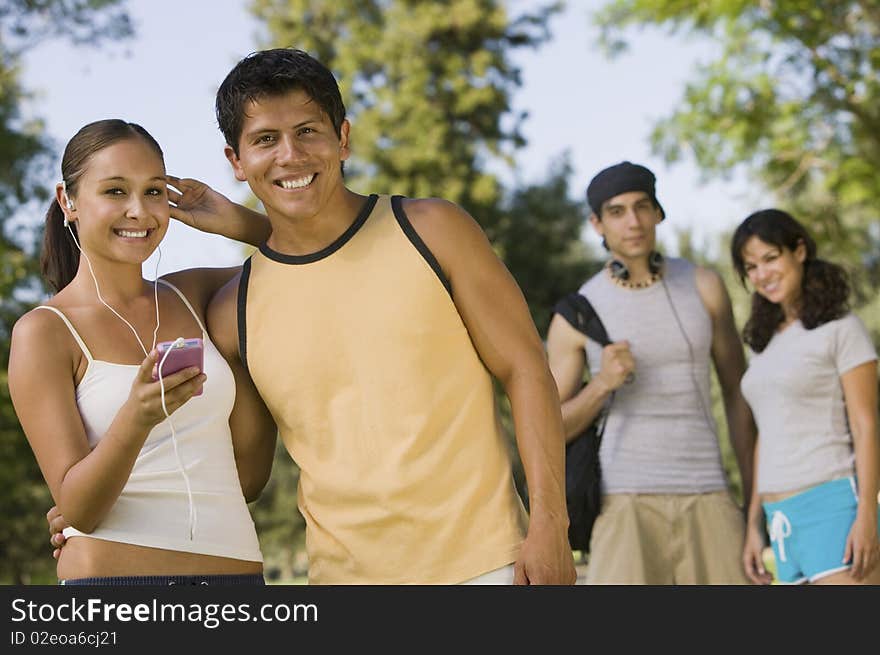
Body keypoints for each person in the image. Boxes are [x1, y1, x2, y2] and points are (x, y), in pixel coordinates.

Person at [202, 47, 575, 585]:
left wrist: (550, 524)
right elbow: (245, 476)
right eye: (265, 140)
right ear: (236, 162)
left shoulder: (432, 229)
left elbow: (526, 369)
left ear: (343, 139)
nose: (290, 154)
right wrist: (107, 513)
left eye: (308, 130)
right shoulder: (231, 311)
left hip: (490, 565)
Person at [9, 119, 277, 585]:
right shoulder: (45, 332)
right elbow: (79, 510)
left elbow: (309, 257)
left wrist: (236, 220)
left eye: (154, 192)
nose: (139, 211)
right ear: (67, 201)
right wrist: (135, 417)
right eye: (115, 191)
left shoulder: (195, 294)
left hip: (236, 584)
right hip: (116, 591)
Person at [545, 161, 756, 584]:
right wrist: (602, 384)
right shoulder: (578, 314)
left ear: (658, 212)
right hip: (624, 502)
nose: (634, 222)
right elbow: (548, 426)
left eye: (643, 207)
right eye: (617, 212)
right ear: (597, 224)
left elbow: (738, 394)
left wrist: (753, 499)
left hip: (708, 492)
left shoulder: (704, 286)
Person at [733, 209, 880, 585]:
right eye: (751, 267)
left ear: (798, 251)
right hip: (780, 517)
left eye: (770, 258)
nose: (762, 274)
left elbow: (866, 425)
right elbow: (768, 434)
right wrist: (754, 524)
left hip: (833, 506)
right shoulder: (763, 345)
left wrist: (866, 515)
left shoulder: (841, 329)